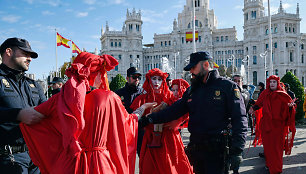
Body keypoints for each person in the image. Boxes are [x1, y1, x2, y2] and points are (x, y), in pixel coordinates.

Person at [20, 52, 156, 174]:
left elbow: (32, 118)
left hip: (69, 163)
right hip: (100, 164)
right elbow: (128, 122)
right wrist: (143, 108)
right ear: (95, 74)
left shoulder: (61, 98)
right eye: (102, 72)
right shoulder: (109, 98)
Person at [139, 51, 248, 174]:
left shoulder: (227, 87)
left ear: (206, 65)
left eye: (193, 68)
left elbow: (240, 119)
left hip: (217, 151)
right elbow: (175, 110)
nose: (191, 72)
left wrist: (237, 150)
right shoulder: (193, 90)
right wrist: (150, 119)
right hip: (197, 149)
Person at [130, 68, 193, 174]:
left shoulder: (170, 96)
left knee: (171, 167)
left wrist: (178, 122)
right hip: (150, 139)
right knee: (150, 168)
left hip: (169, 138)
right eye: (154, 78)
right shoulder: (142, 99)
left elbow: (186, 109)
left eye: (159, 79)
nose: (156, 82)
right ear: (149, 80)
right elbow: (133, 121)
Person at [0, 37, 47, 173]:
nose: (30, 59)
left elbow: (47, 109)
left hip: (35, 156)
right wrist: (18, 114)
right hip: (7, 158)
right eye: (25, 54)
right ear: (8, 52)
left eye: (30, 55)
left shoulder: (33, 84)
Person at [249, 75, 296, 174]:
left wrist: (290, 107)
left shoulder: (283, 94)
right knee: (268, 148)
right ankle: (270, 165)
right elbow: (259, 103)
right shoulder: (265, 93)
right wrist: (253, 108)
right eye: (271, 82)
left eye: (274, 82)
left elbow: (288, 110)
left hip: (278, 126)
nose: (272, 84)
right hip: (266, 126)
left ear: (277, 83)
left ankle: (277, 169)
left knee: (277, 148)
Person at [115, 67, 143, 155]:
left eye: (139, 77)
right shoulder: (118, 93)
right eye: (134, 77)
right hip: (125, 131)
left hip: (140, 130)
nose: (137, 79)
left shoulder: (143, 93)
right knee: (125, 157)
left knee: (143, 157)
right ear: (127, 78)